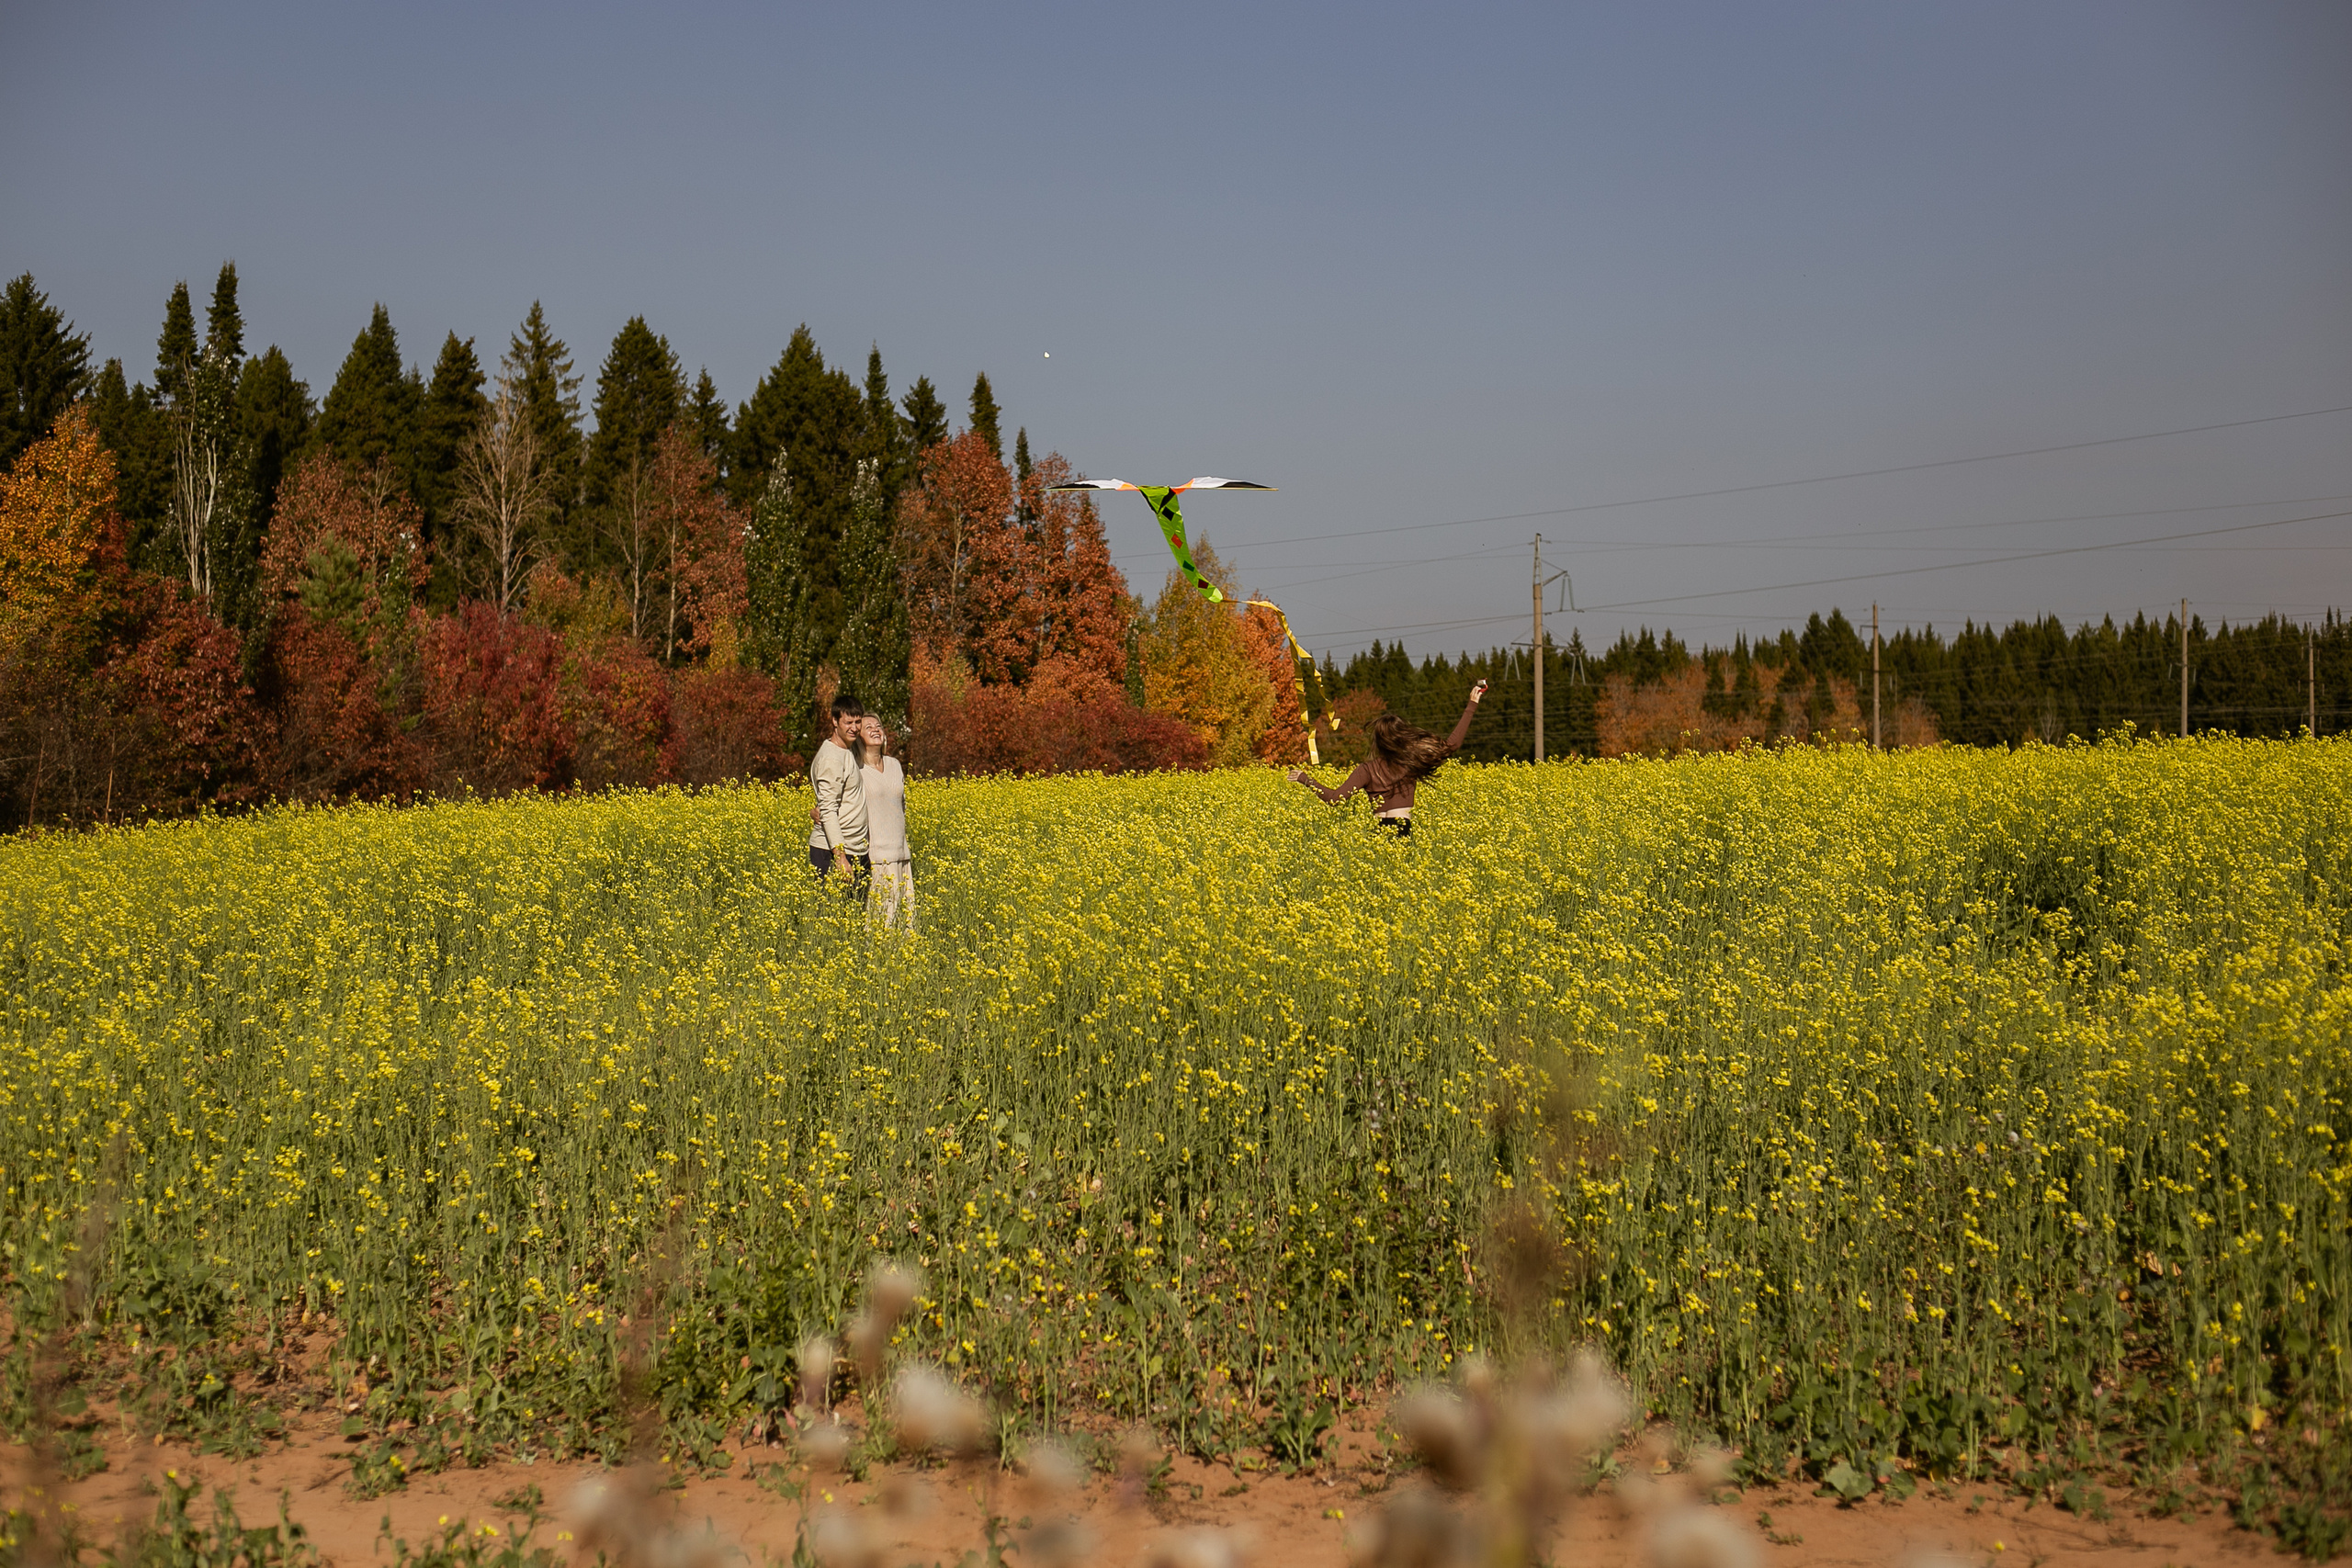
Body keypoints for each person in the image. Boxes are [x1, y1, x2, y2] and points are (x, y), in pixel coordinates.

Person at [1286, 680, 1487, 839]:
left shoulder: (1366, 770)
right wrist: (1471, 705)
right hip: (1402, 829)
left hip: (1377, 832)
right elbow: (1451, 744)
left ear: (1379, 741)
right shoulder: (1410, 763)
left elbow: (1334, 799)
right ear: (1402, 736)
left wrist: (1305, 779)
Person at [857, 714, 915, 931]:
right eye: (868, 727)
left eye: (878, 726)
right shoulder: (856, 769)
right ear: (859, 736)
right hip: (877, 858)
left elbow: (901, 805)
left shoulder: (894, 764)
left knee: (907, 925)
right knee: (881, 925)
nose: (875, 729)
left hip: (902, 855)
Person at [808, 693, 870, 887]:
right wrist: (840, 858)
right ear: (835, 721)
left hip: (853, 849)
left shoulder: (847, 750)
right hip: (833, 853)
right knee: (832, 915)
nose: (854, 728)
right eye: (848, 722)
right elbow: (827, 809)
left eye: (858, 722)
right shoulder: (831, 758)